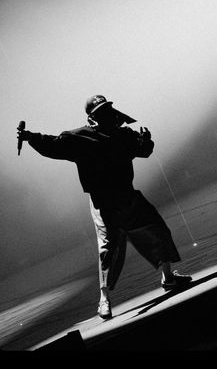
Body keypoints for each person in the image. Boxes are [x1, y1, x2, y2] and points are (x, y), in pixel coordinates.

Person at [17, 95, 192, 320]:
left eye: (108, 110)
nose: (108, 115)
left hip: (128, 195)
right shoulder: (79, 138)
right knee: (109, 249)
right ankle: (104, 299)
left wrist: (146, 141)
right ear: (93, 118)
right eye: (102, 112)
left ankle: (168, 278)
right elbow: (53, 145)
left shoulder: (123, 135)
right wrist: (30, 136)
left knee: (157, 228)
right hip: (103, 202)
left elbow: (144, 150)